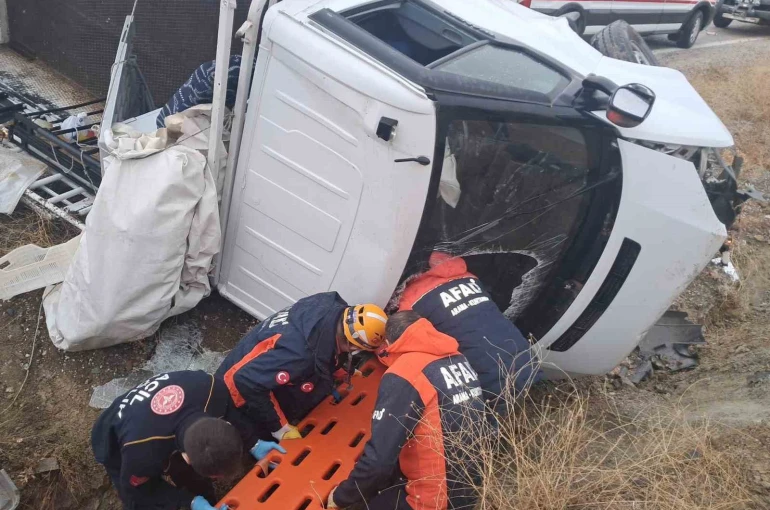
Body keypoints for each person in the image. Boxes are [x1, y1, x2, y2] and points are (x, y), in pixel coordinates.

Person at [327, 311, 484, 510]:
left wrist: (342, 496)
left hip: (432, 499)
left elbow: (379, 462)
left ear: (389, 342)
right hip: (472, 485)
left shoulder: (405, 373)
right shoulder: (456, 357)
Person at [215, 292, 388, 442]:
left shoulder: (327, 306)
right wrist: (279, 428)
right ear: (353, 346)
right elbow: (246, 382)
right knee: (248, 433)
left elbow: (327, 347)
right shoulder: (300, 356)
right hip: (234, 393)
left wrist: (338, 370)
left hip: (260, 360)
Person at [398, 251, 543, 409]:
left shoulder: (410, 301)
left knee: (484, 426)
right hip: (528, 360)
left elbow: (399, 342)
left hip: (491, 380)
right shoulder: (469, 277)